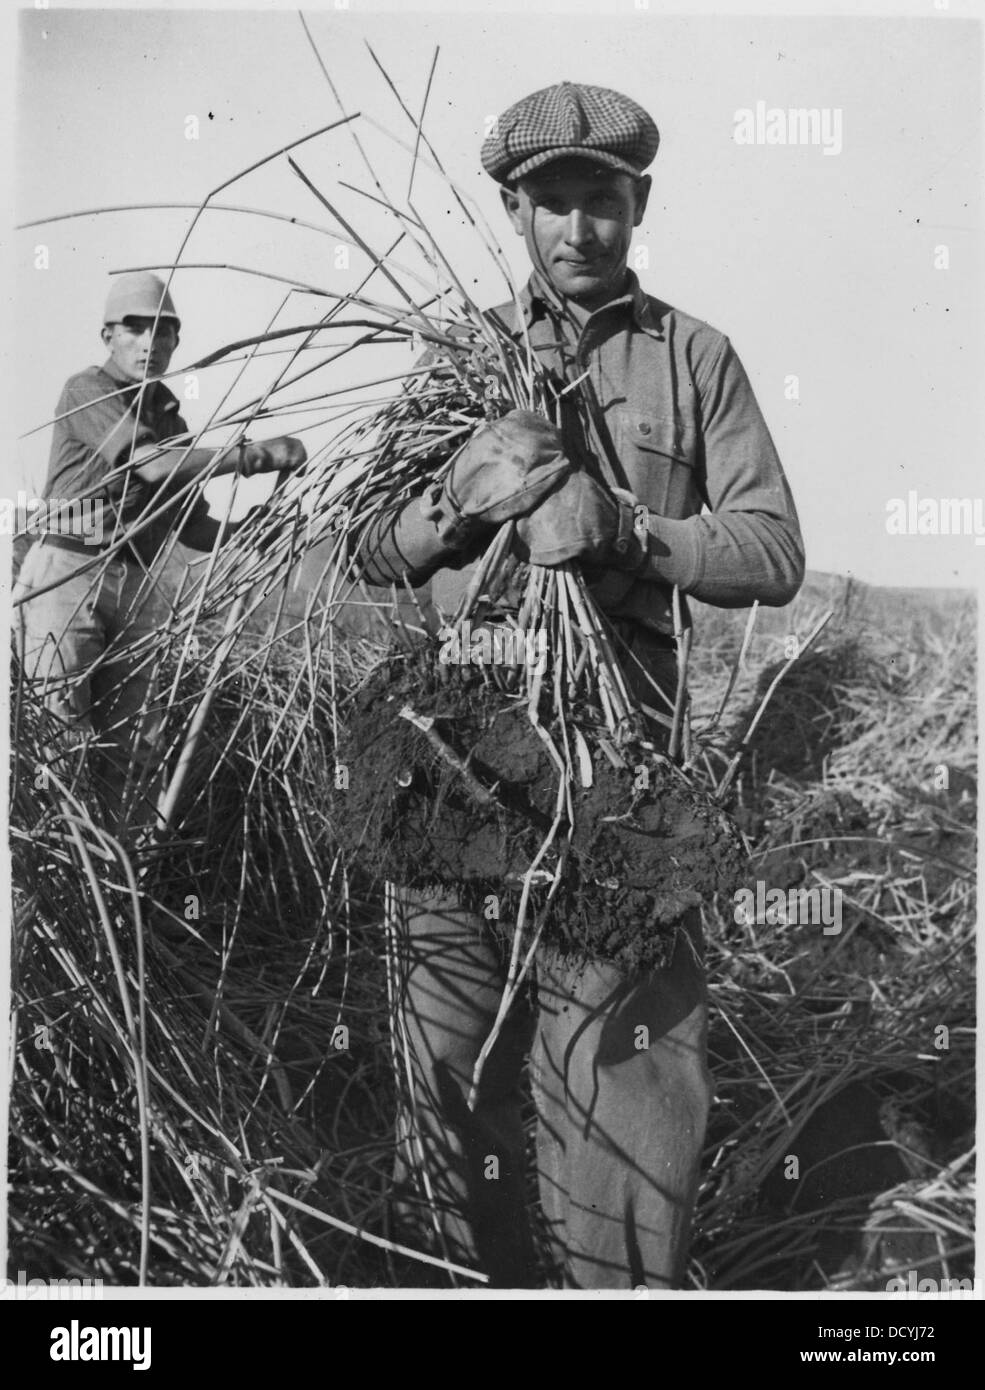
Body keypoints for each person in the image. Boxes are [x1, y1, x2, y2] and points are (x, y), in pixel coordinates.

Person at [356, 82, 805, 1288]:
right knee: (448, 1054)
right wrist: (453, 505)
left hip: (621, 756)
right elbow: (366, 551)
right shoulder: (459, 359)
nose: (577, 229)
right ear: (515, 211)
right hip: (455, 742)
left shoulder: (697, 358)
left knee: (625, 1057)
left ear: (636, 202)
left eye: (600, 201)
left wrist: (620, 525)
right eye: (550, 203)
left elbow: (769, 550)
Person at [13, 271, 306, 836]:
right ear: (108, 335)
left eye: (165, 330)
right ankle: (68, 891)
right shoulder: (87, 390)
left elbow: (194, 529)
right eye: (136, 327)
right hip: (68, 576)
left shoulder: (171, 420)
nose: (151, 341)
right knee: (62, 740)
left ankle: (125, 886)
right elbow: (151, 465)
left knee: (136, 747)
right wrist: (254, 455)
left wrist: (253, 530)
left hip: (137, 585)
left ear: (176, 340)